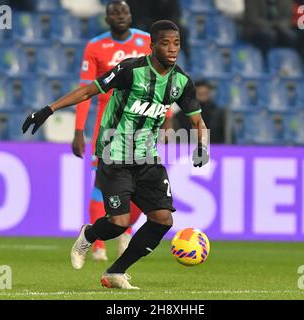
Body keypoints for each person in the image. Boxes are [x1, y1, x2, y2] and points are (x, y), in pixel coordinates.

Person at [22, 20, 210, 290]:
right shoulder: (130, 70)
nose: (172, 49)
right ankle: (89, 234)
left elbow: (197, 121)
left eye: (177, 43)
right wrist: (48, 110)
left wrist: (202, 146)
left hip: (147, 158)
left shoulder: (181, 82)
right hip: (115, 154)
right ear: (152, 45)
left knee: (162, 220)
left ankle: (115, 272)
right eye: (166, 43)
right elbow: (89, 89)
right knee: (118, 224)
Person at [72, 0, 153, 262]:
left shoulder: (146, 41)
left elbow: (161, 80)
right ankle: (96, 244)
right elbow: (85, 91)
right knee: (101, 187)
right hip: (108, 127)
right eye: (114, 12)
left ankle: (125, 230)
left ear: (131, 15)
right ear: (107, 19)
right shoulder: (95, 46)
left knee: (143, 189)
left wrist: (169, 117)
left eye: (124, 11)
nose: (120, 15)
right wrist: (78, 130)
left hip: (141, 126)